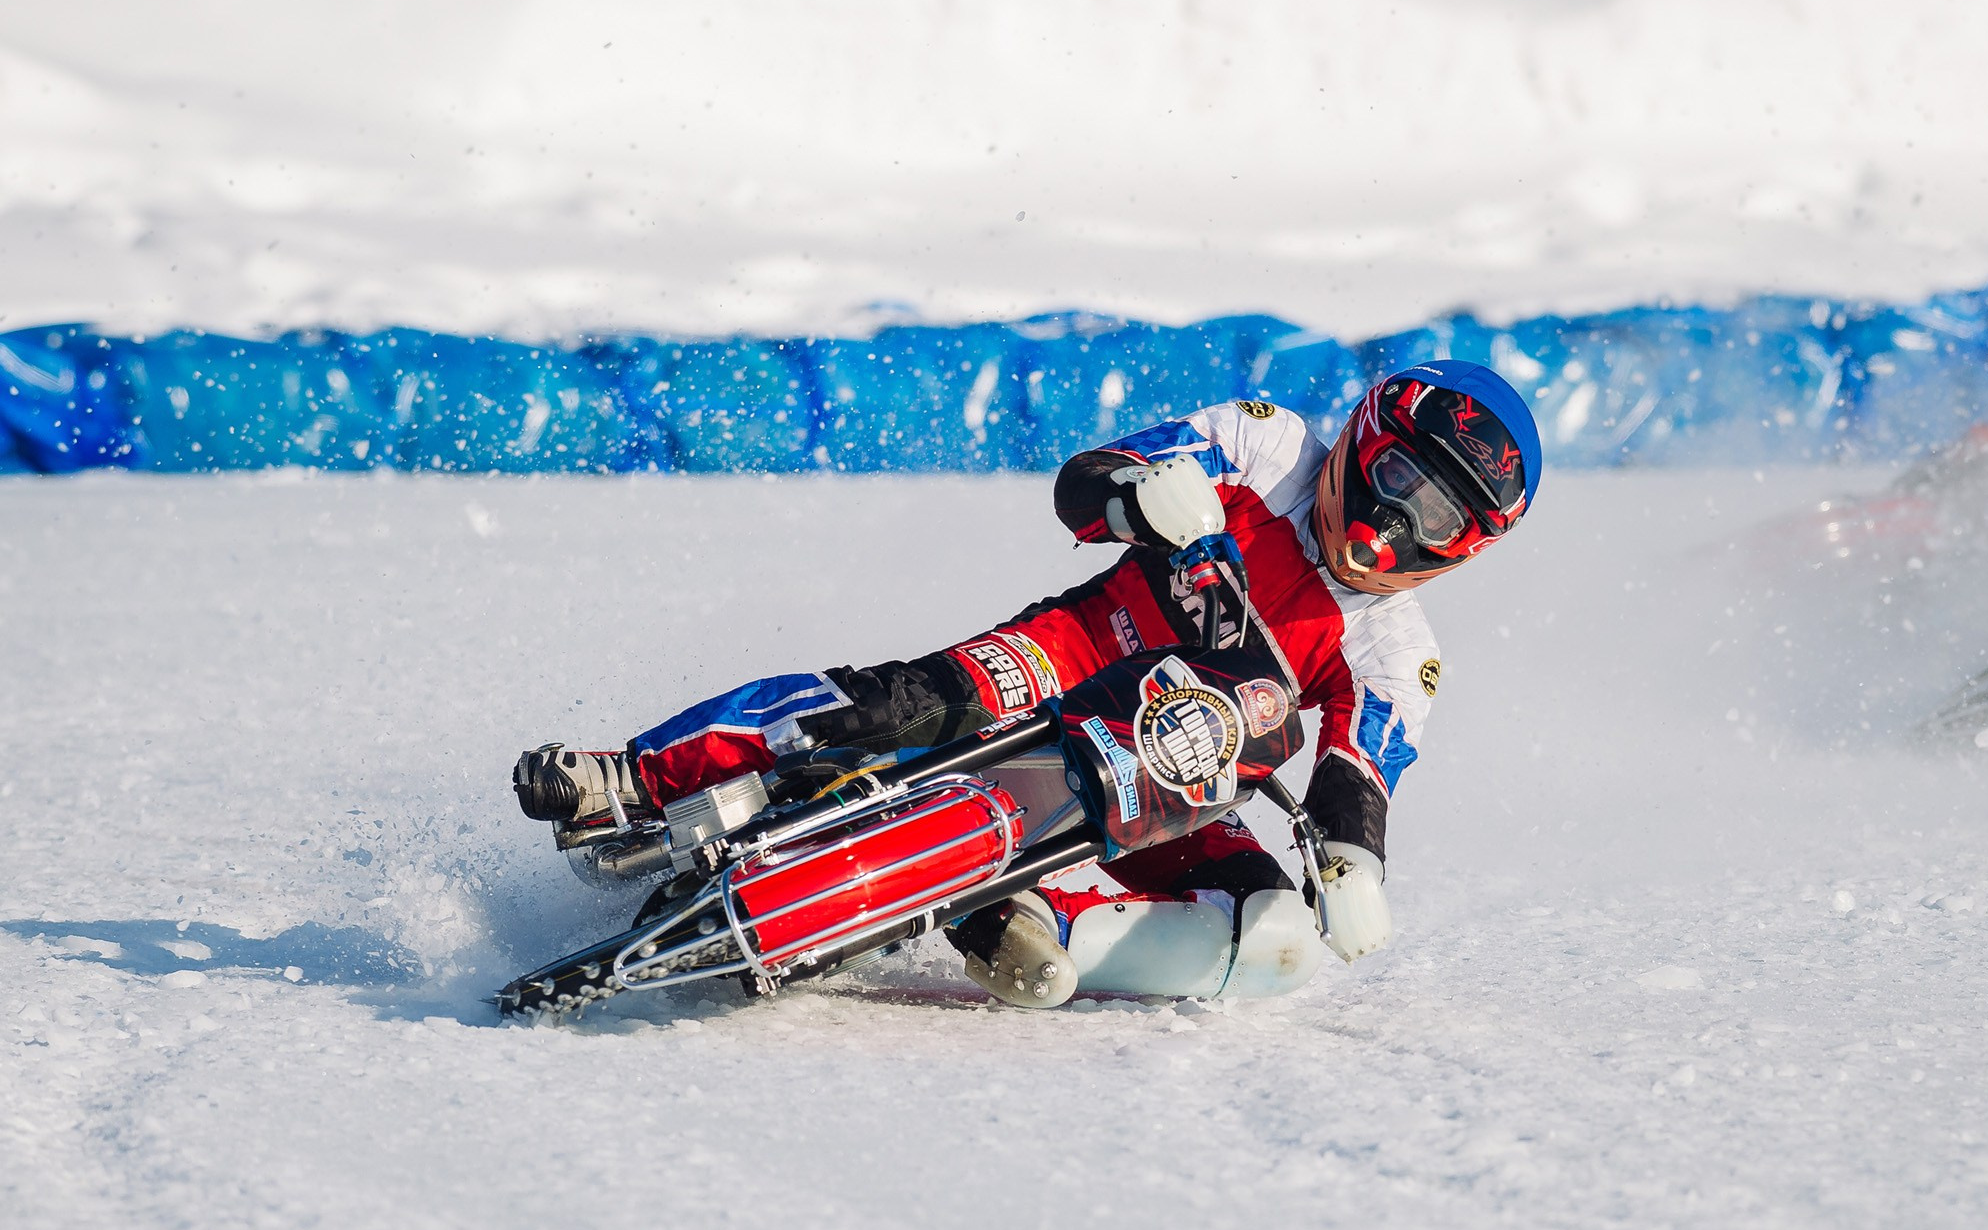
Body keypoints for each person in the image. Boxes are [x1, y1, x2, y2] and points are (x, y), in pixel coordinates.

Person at [515, 360, 1541, 1007]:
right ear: (1365, 437)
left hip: (1171, 789)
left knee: (1273, 940)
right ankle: (634, 775)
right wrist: (1144, 495)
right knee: (889, 706)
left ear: (1466, 550)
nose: (1393, 525)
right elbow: (1081, 485)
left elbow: (1358, 774)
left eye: (1436, 521)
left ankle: (1039, 923)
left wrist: (1352, 862)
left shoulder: (1398, 650)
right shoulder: (1263, 443)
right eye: (1400, 480)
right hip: (1066, 658)